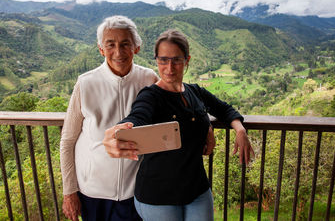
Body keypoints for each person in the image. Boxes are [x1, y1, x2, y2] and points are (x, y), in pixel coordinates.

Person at [103, 29, 254, 221]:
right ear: (156, 60)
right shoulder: (151, 96)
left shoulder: (194, 91)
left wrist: (239, 130)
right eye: (163, 60)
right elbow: (138, 116)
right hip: (158, 195)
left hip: (197, 189)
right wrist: (119, 131)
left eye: (177, 60)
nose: (169, 67)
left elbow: (223, 109)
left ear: (187, 60)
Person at [60, 15, 159, 221]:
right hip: (93, 193)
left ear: (136, 47)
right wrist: (69, 192)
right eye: (110, 44)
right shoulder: (86, 83)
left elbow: (179, 98)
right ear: (101, 49)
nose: (118, 52)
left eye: (125, 44)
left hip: (136, 192)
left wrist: (206, 127)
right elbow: (68, 141)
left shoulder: (149, 79)